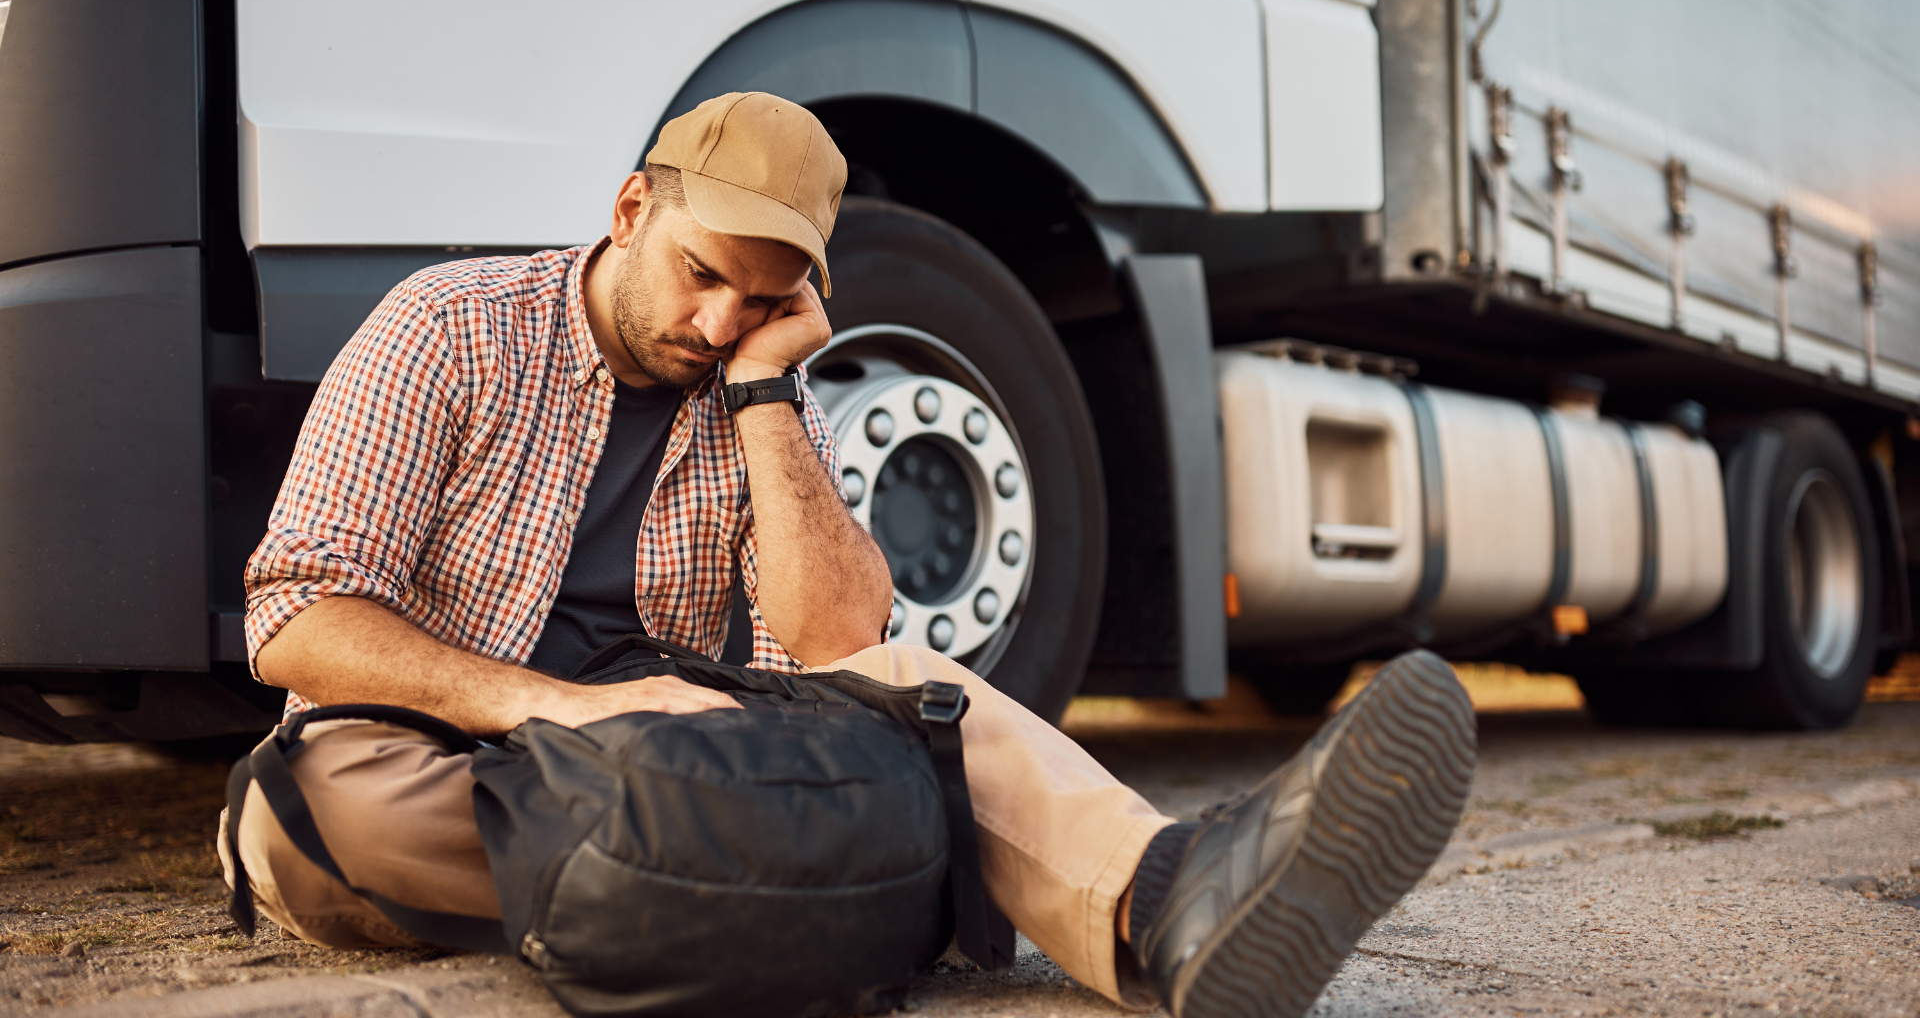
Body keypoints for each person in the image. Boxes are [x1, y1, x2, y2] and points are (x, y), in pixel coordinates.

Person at [222, 91, 1476, 1017]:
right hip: (442, 746)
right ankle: (842, 890)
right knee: (316, 817)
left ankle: (1169, 904)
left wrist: (769, 397)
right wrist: (554, 710)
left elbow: (837, 647)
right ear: (628, 211)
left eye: (760, 304)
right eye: (701, 275)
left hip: (668, 759)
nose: (716, 324)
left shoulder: (762, 381)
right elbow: (297, 615)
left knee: (917, 706)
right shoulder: (447, 330)